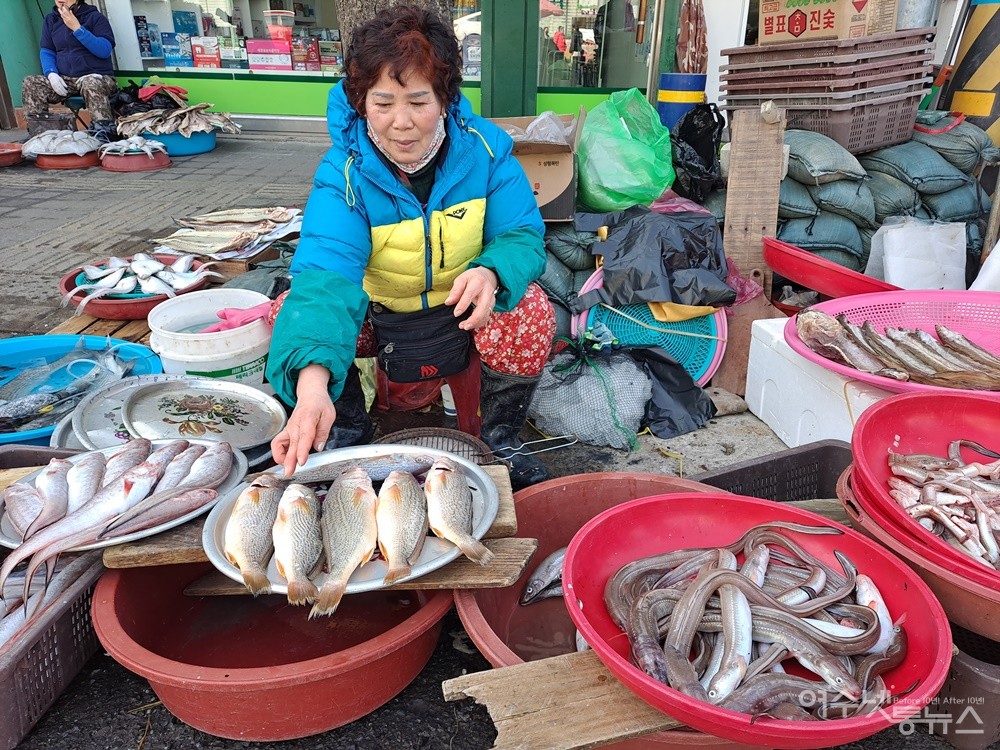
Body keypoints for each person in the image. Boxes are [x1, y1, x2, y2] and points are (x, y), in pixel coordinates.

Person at [266, 5, 555, 488]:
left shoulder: (486, 149)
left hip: (461, 307)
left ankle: (501, 436)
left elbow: (521, 235)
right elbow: (324, 280)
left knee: (530, 311)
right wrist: (312, 386)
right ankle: (347, 431)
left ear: (445, 98)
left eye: (418, 102)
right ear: (361, 104)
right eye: (383, 103)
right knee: (285, 313)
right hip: (379, 314)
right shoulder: (344, 174)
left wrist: (491, 271)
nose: (401, 123)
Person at [21, 0, 117, 139]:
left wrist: (77, 28)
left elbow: (104, 50)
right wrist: (52, 73)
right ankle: (39, 135)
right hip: (66, 79)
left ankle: (103, 133)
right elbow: (47, 50)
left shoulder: (94, 17)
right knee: (31, 82)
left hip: (98, 77)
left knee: (91, 82)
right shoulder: (51, 20)